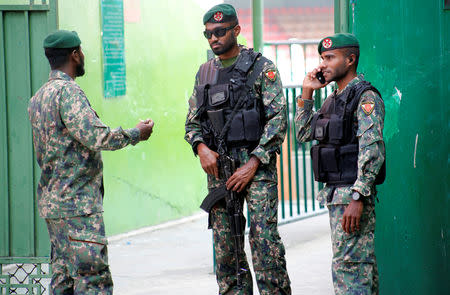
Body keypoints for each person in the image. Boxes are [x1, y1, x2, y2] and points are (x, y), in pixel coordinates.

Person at [28, 30, 154, 294]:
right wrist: (135, 134)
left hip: (54, 206)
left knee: (63, 280)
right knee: (92, 279)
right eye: (81, 51)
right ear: (75, 54)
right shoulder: (67, 93)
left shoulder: (38, 98)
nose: (83, 56)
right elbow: (96, 136)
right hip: (78, 206)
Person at [184, 4, 291, 295]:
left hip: (256, 168)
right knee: (225, 249)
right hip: (220, 169)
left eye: (220, 32)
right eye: (208, 34)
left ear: (236, 30)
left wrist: (253, 163)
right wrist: (201, 148)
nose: (213, 39)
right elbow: (192, 123)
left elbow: (278, 120)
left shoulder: (261, 68)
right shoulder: (205, 73)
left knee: (264, 242)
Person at [295, 33, 385, 294]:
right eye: (322, 58)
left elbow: (372, 149)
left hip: (352, 196)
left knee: (350, 270)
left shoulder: (365, 98)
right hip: (337, 196)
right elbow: (303, 133)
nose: (323, 64)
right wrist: (307, 92)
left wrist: (358, 197)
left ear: (350, 60)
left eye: (330, 58)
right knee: (356, 269)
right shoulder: (332, 99)